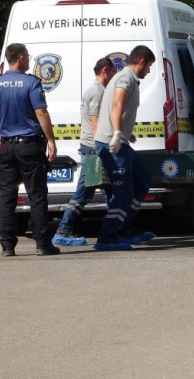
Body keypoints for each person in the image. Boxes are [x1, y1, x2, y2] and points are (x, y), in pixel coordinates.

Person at [0, 44, 60, 256]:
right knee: (36, 195)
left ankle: (7, 245)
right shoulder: (31, 82)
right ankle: (42, 244)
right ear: (22, 58)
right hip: (29, 146)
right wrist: (51, 140)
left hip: (6, 146)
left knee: (7, 197)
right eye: (28, 57)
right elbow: (41, 113)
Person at [93, 45, 157, 251]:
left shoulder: (128, 78)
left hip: (122, 142)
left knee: (143, 181)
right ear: (141, 62)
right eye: (149, 67)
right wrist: (118, 133)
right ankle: (107, 236)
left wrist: (126, 133)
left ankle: (124, 227)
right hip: (113, 143)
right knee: (122, 192)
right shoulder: (126, 78)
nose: (149, 71)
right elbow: (117, 104)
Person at [52, 57, 117, 246]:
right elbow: (96, 122)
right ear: (105, 70)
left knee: (110, 192)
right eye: (113, 72)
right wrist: (102, 148)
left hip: (93, 149)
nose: (114, 76)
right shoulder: (97, 92)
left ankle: (117, 229)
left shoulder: (98, 91)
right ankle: (63, 231)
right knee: (84, 194)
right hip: (94, 150)